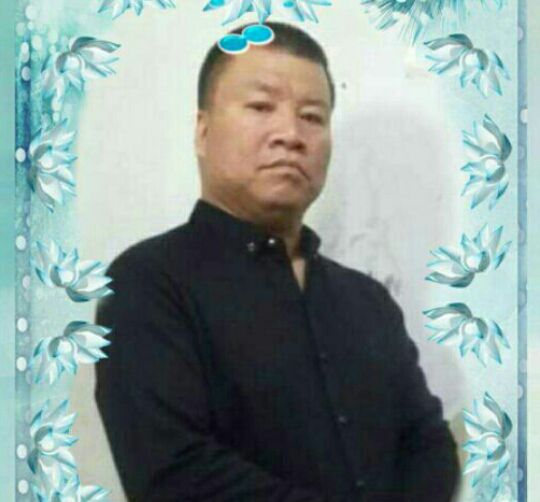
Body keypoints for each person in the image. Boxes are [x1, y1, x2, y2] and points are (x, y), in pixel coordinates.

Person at [94, 21, 459, 502]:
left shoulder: (368, 301)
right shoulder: (146, 283)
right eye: (261, 107)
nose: (290, 134)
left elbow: (429, 446)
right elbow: (174, 475)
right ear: (202, 131)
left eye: (312, 116)